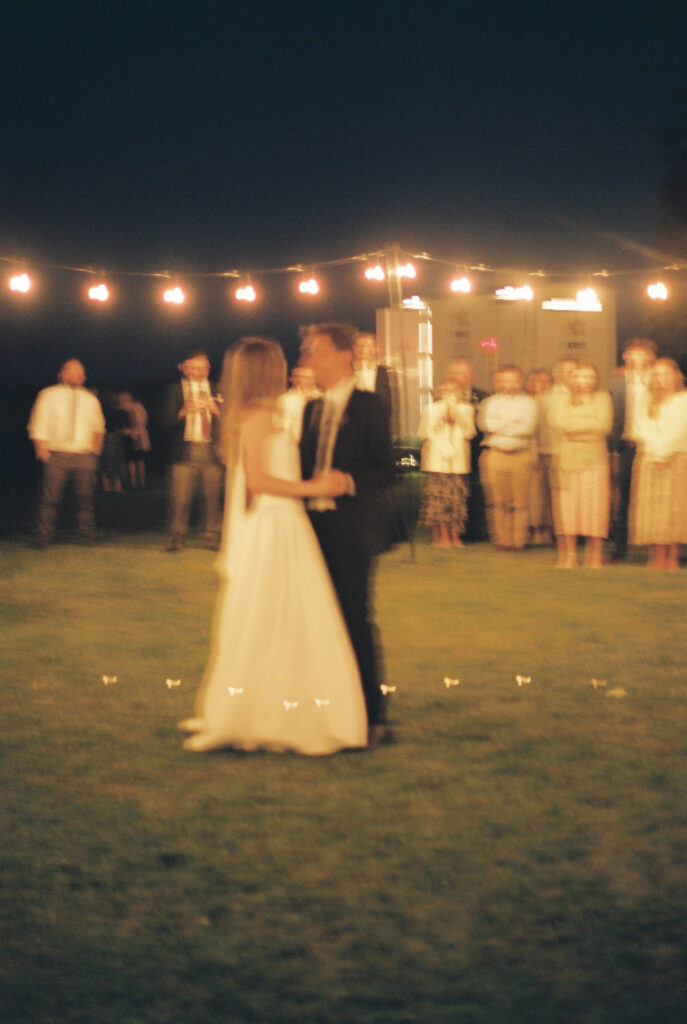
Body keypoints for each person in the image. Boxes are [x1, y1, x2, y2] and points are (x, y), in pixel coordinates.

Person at [181, 337, 368, 755]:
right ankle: (276, 713)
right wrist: (316, 486)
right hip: (278, 525)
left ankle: (269, 706)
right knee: (284, 614)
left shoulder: (256, 415)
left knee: (283, 615)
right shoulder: (257, 418)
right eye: (280, 364)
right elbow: (261, 483)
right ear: (266, 370)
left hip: (283, 525)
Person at [299, 323, 395, 746]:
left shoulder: (370, 405)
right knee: (317, 621)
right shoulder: (310, 409)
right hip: (311, 529)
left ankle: (372, 717)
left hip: (353, 529)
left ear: (342, 356)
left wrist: (348, 481)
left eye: (315, 352)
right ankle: (326, 707)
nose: (309, 361)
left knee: (355, 618)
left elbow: (387, 469)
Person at [27, 359, 105, 547]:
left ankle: (87, 536)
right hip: (57, 456)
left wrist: (95, 453)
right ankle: (43, 537)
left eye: (81, 372)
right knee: (50, 499)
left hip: (84, 456)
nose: (78, 375)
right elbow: (38, 424)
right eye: (73, 371)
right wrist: (42, 452)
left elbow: (99, 427)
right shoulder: (47, 395)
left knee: (85, 499)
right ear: (61, 374)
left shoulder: (90, 399)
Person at [552, 362, 613, 568]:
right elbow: (560, 424)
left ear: (595, 380)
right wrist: (586, 424)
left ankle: (594, 556)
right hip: (567, 460)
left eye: (588, 377)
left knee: (594, 508)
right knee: (568, 509)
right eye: (578, 377)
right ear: (571, 379)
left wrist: (575, 427)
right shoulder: (563, 400)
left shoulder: (602, 398)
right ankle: (568, 556)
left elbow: (602, 426)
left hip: (594, 459)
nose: (583, 381)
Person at [629, 358, 687, 571]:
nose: (661, 379)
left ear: (676, 375)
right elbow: (639, 429)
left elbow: (680, 429)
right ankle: (656, 556)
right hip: (649, 458)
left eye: (666, 374)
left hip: (676, 458)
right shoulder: (645, 401)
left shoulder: (683, 401)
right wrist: (654, 451)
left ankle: (673, 557)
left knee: (674, 508)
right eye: (657, 375)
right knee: (652, 507)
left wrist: (662, 452)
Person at [164, 349, 223, 552]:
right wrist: (183, 411)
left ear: (208, 368)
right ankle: (176, 537)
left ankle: (212, 537)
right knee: (180, 498)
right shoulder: (174, 390)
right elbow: (163, 421)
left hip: (211, 449)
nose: (199, 370)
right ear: (185, 368)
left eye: (203, 367)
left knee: (212, 498)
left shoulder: (218, 389)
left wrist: (217, 411)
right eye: (194, 366)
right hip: (185, 450)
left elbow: (232, 419)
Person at [477, 366, 537, 551]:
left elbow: (527, 428)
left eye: (513, 380)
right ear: (499, 381)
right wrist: (513, 424)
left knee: (520, 502)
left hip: (521, 454)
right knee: (498, 501)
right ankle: (502, 540)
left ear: (520, 381)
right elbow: (485, 425)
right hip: (496, 453)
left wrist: (500, 425)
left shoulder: (529, 403)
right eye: (505, 380)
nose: (509, 384)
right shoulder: (489, 402)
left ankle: (519, 540)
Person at [608, 338, 657, 560]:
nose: (638, 358)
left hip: (654, 447)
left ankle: (659, 548)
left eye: (644, 353)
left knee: (656, 498)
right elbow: (613, 418)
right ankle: (620, 548)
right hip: (627, 446)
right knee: (624, 498)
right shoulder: (616, 382)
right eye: (634, 353)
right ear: (625, 356)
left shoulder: (659, 380)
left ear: (652, 358)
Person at [417, 381, 476, 547]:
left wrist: (458, 418)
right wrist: (439, 421)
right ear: (438, 392)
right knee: (439, 500)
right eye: (445, 390)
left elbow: (470, 433)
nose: (449, 393)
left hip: (458, 463)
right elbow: (423, 433)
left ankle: (455, 536)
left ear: (459, 392)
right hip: (437, 462)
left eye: (453, 389)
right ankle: (442, 537)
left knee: (456, 500)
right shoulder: (430, 409)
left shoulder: (466, 409)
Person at [446, 359, 488, 541]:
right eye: (453, 373)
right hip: (451, 452)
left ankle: (475, 530)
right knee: (454, 493)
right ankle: (455, 531)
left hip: (476, 451)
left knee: (475, 492)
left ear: (471, 376)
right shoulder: (441, 396)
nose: (457, 377)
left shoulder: (483, 396)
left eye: (462, 373)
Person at [352, 331, 394, 422]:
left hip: (376, 419)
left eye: (367, 346)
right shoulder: (347, 370)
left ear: (374, 348)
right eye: (359, 345)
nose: (362, 349)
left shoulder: (382, 372)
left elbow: (386, 399)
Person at [277, 363, 320, 444]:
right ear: (291, 378)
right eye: (300, 377)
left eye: (309, 377)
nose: (305, 380)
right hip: (292, 442)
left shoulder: (322, 398)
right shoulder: (284, 399)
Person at [118, 391, 151, 488]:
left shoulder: (137, 407)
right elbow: (119, 424)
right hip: (127, 437)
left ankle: (142, 482)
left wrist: (136, 429)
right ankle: (133, 483)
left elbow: (144, 419)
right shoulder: (120, 410)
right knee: (130, 460)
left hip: (139, 437)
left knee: (140, 459)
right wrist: (126, 431)